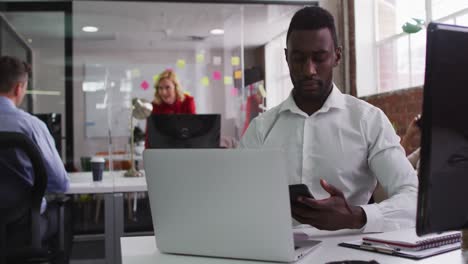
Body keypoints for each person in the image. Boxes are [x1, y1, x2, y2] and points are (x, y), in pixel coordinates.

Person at [239, 6, 418, 232]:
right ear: (286, 57)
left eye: (319, 57)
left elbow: (413, 198)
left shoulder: (368, 121)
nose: (309, 70)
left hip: (349, 253)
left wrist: (356, 216)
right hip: (277, 252)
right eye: (299, 58)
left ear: (337, 56)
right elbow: (235, 196)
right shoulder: (261, 129)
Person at [0, 56, 71, 260]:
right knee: (64, 211)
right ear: (19, 88)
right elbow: (60, 183)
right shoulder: (31, 126)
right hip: (21, 227)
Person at [145, 69, 196, 147]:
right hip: (162, 149)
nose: (163, 92)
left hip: (184, 147)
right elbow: (149, 135)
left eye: (167, 87)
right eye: (160, 88)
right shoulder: (154, 106)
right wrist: (148, 155)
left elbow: (192, 129)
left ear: (175, 87)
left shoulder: (188, 102)